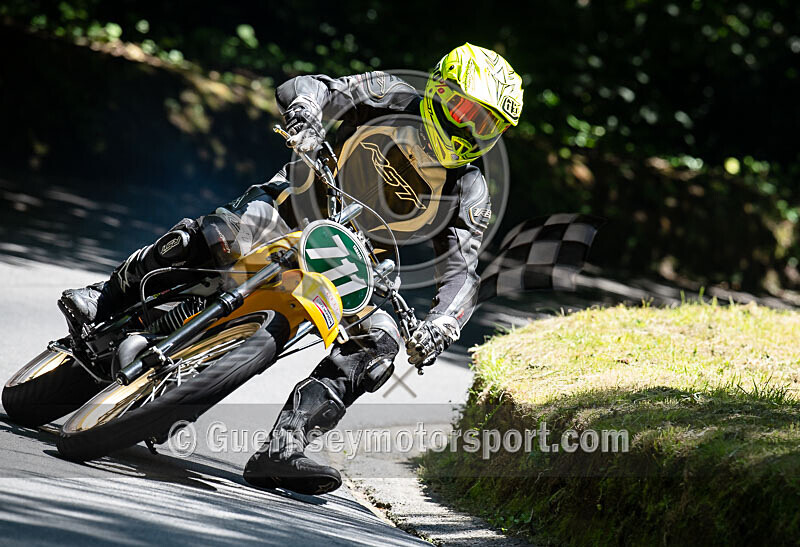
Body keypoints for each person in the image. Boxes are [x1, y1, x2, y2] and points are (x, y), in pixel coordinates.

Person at [59, 43, 524, 495]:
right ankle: (103, 297)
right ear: (441, 90)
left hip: (358, 261)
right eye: (470, 112)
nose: (474, 130)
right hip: (297, 204)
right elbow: (312, 86)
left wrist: (443, 323)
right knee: (216, 235)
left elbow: (463, 269)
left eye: (489, 125)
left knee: (380, 346)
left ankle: (284, 448)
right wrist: (305, 111)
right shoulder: (393, 92)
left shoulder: (471, 186)